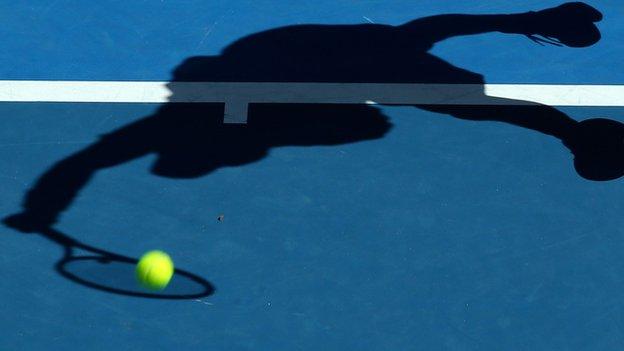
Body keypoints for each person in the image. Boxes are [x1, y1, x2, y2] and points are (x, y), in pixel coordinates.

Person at [5, 2, 618, 234]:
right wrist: (44, 209)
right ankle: (560, 102)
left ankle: (570, 127)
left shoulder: (166, 131)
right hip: (304, 61)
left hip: (313, 54)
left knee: (454, 101)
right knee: (415, 86)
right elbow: (82, 162)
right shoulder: (201, 132)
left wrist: (43, 210)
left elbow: (81, 161)